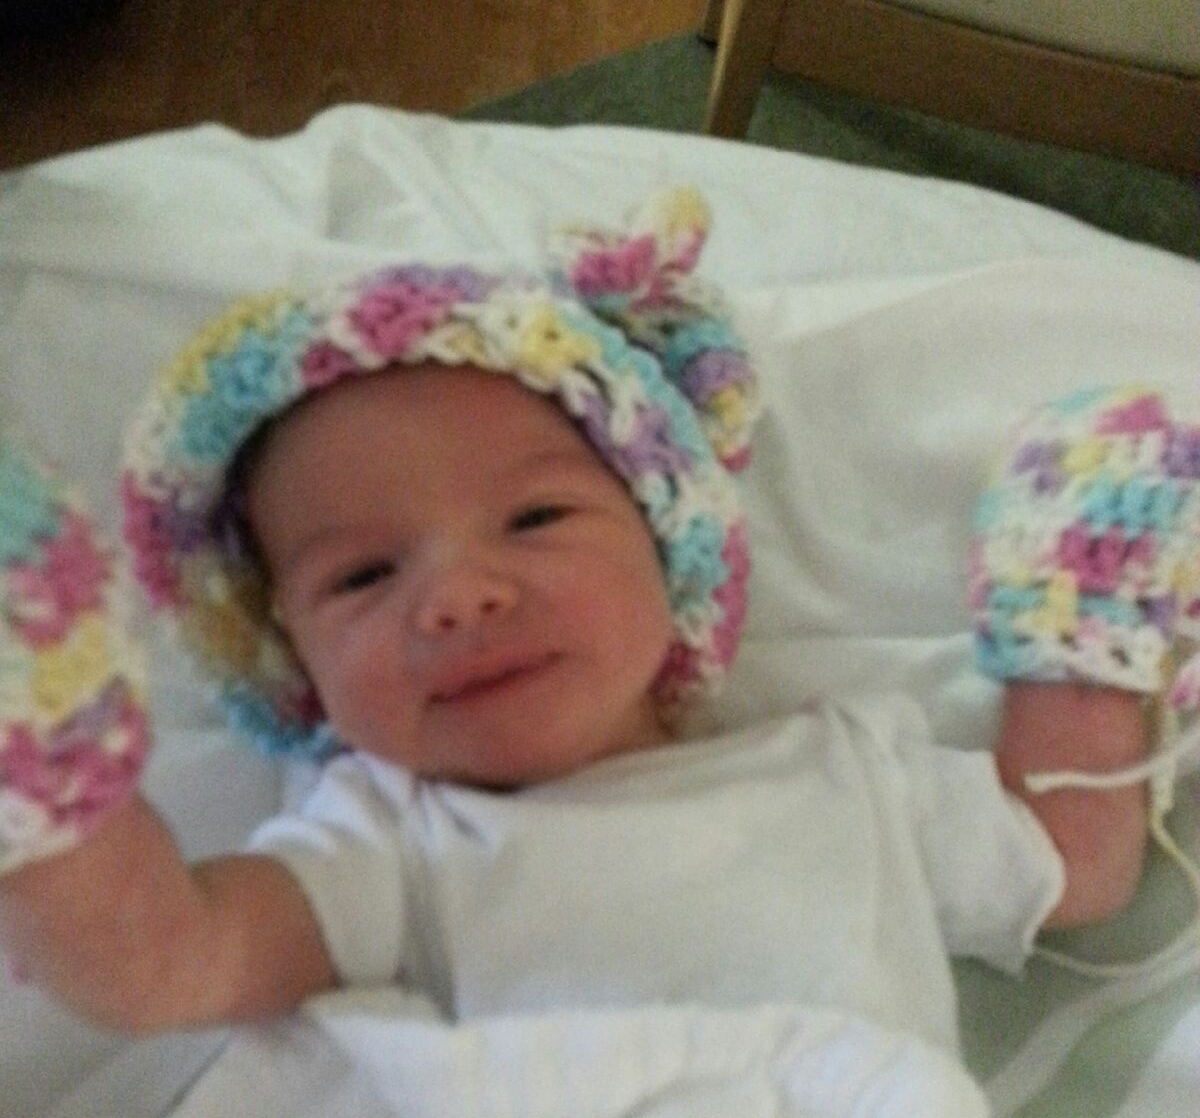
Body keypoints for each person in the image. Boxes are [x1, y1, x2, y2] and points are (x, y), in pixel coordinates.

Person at [0, 188, 1164, 1042]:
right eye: (360, 577)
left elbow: (1074, 863)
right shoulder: (395, 848)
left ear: (671, 547)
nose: (458, 595)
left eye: (536, 517)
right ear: (289, 664)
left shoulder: (846, 773)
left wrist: (1081, 616)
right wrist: (48, 752)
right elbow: (165, 966)